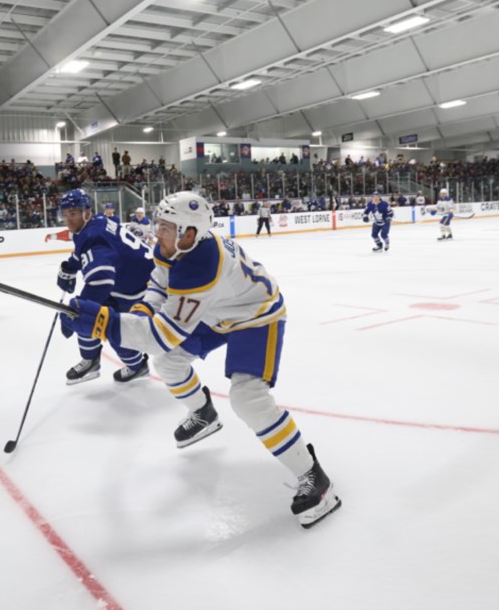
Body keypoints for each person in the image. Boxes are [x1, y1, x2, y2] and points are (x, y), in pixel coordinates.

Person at [59, 191, 342, 529]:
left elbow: (162, 335)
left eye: (165, 227)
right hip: (218, 311)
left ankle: (313, 476)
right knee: (168, 363)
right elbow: (158, 282)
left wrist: (103, 322)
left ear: (189, 232)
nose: (155, 231)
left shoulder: (201, 266)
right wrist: (141, 308)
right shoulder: (175, 246)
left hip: (256, 317)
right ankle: (204, 412)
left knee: (248, 398)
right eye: (159, 224)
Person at [57, 189, 154, 384]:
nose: (68, 219)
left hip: (137, 290)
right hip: (125, 281)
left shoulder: (94, 237)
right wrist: (70, 267)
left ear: (86, 212)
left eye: (73, 214)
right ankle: (90, 360)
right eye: (65, 215)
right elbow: (83, 250)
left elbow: (101, 282)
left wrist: (78, 310)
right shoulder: (93, 223)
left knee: (114, 329)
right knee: (85, 314)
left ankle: (137, 366)